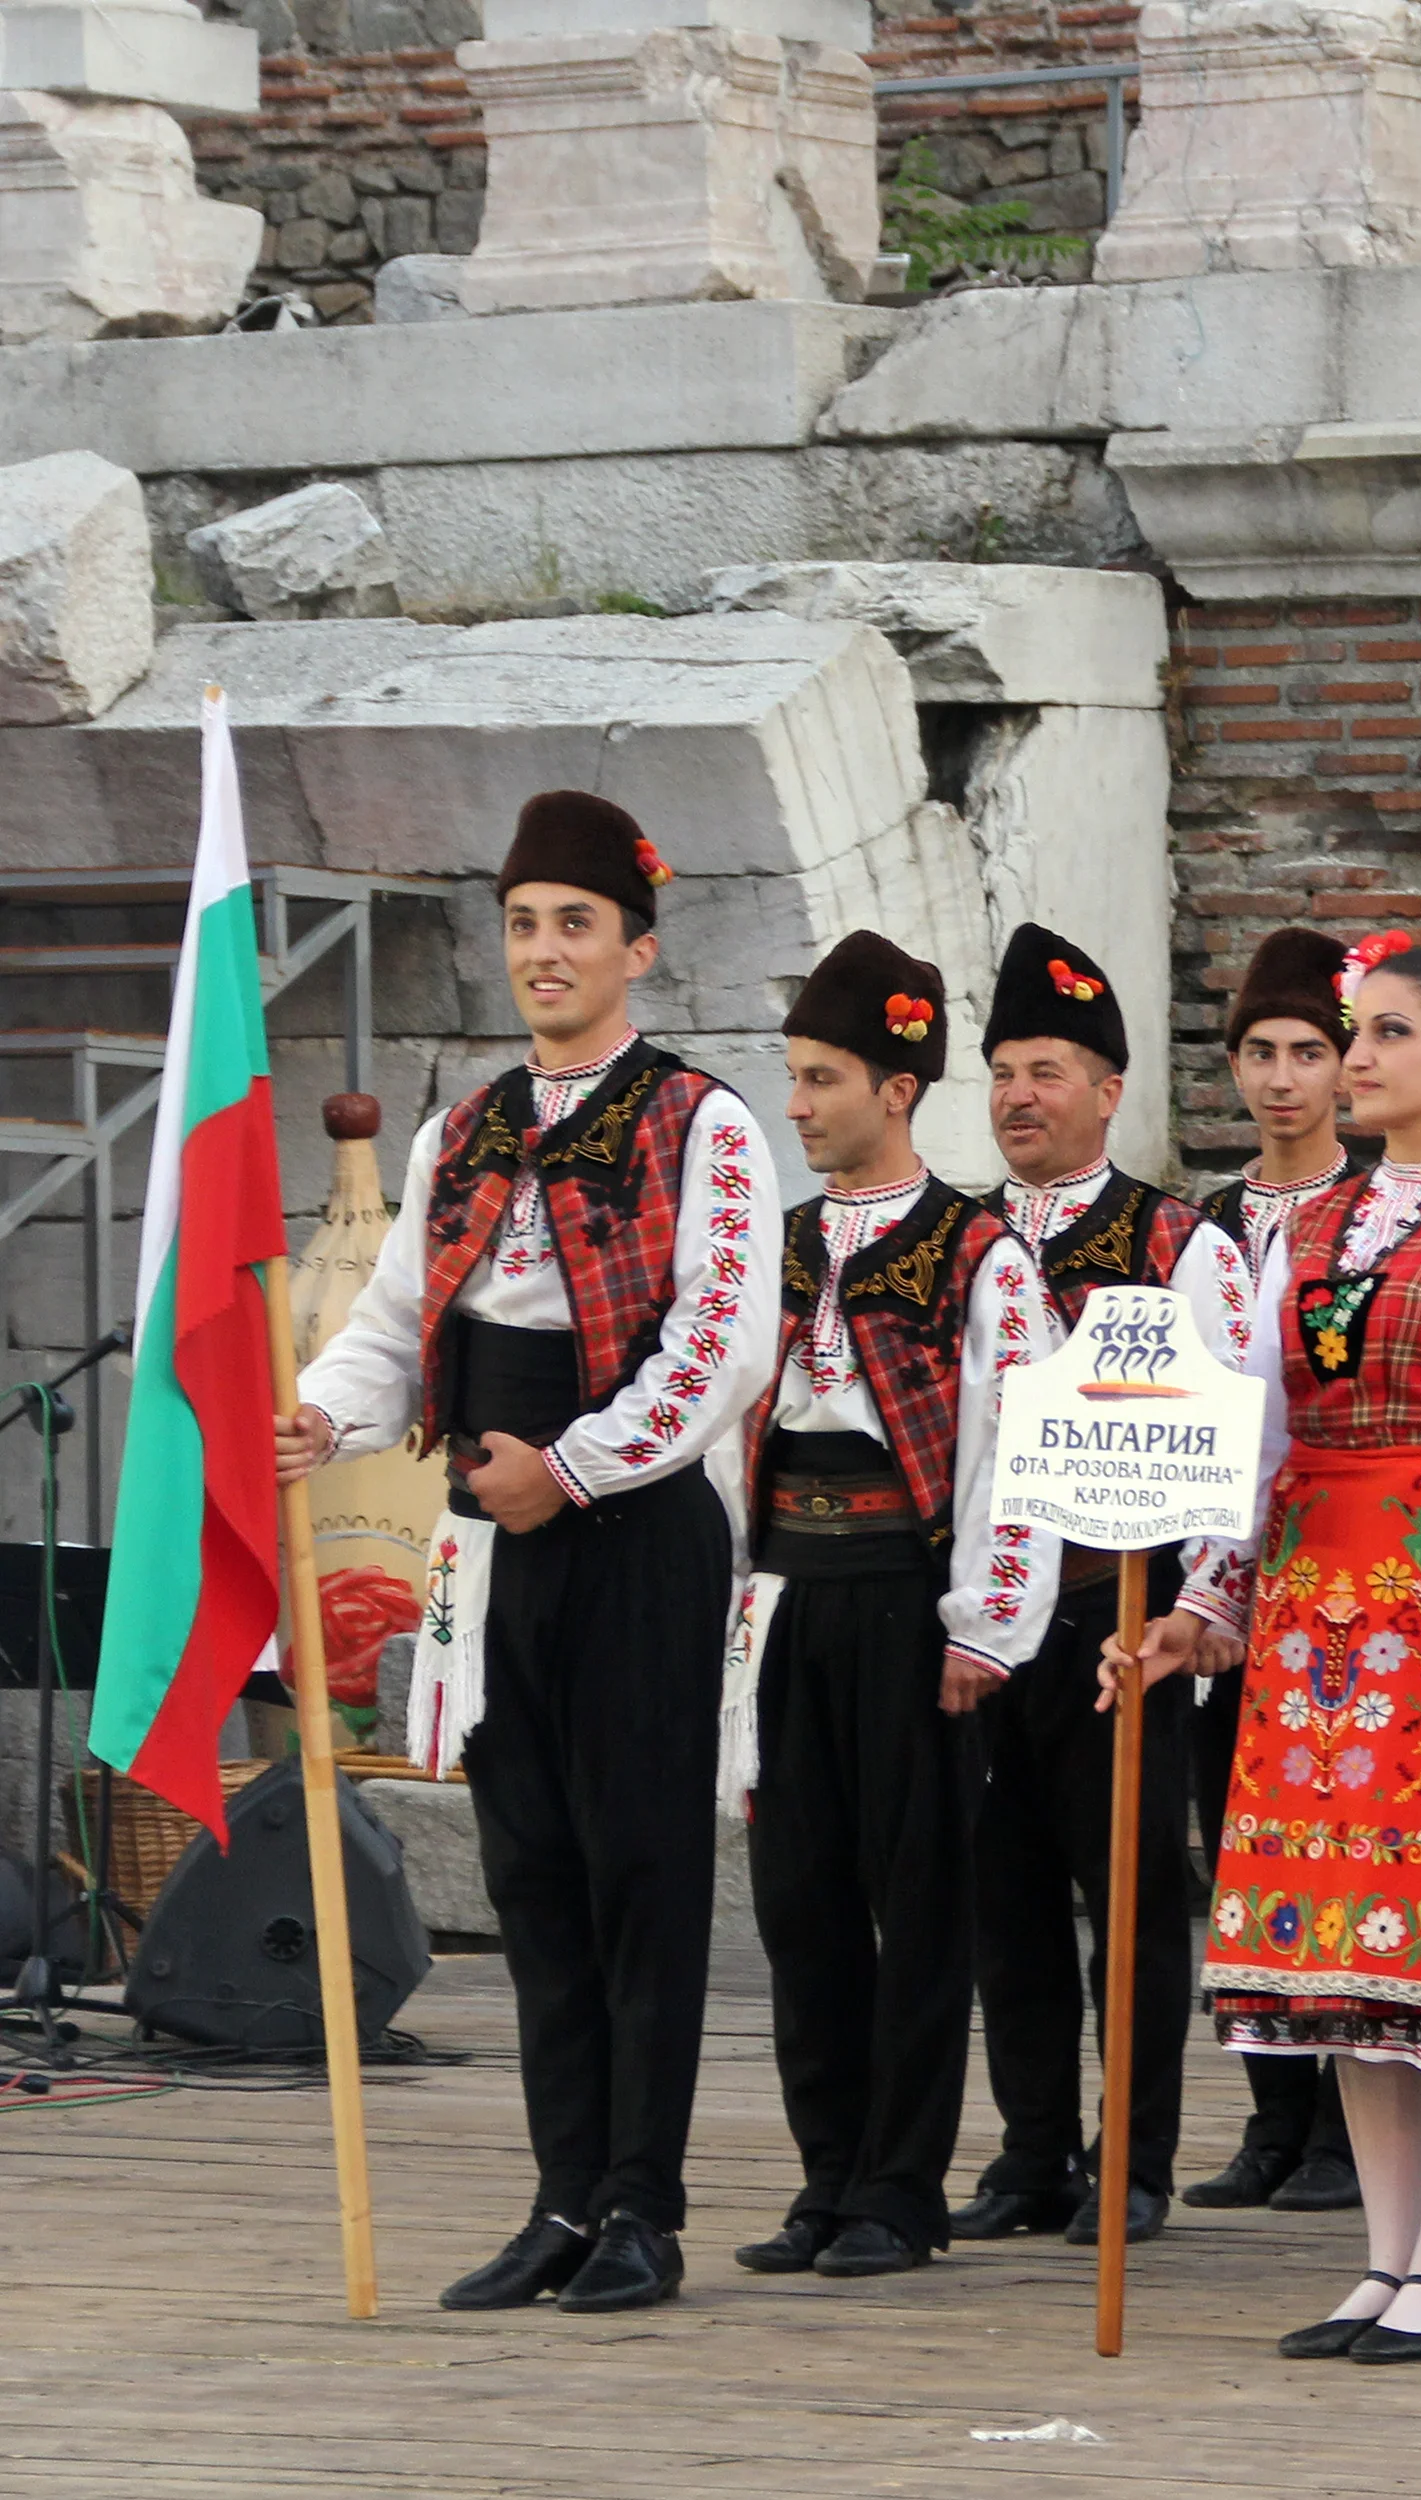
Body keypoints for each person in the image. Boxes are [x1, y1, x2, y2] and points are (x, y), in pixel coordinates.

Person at [282, 792, 782, 2315]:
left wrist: (571, 1468)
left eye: (574, 924)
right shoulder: (464, 1124)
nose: (544, 952)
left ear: (637, 945)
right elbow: (391, 1326)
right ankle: (561, 2197)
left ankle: (645, 2204)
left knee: (641, 1868)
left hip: (627, 1525)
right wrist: (310, 1418)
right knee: (534, 1873)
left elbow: (724, 1342)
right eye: (522, 925)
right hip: (491, 1526)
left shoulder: (707, 1121)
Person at [1138, 934, 1421, 2365]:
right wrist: (1206, 1604)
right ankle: (1383, 2260)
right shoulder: (1299, 1227)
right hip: (1315, 1613)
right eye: (1355, 1033)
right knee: (1343, 1955)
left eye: (1391, 1032)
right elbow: (1258, 1435)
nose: (1360, 1056)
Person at [735, 931, 1056, 2280]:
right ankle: (826, 2175)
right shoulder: (771, 1244)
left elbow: (1013, 1447)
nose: (796, 1105)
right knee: (795, 1898)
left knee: (918, 1903)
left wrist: (987, 1623)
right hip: (785, 1598)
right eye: (794, 1079)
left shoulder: (978, 1253)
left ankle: (900, 2189)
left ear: (897, 1087)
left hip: (904, 1600)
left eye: (820, 1079)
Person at [951, 925, 1253, 2252]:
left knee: (1124, 1892)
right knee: (997, 1895)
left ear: (1109, 1088)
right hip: (979, 1613)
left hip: (1106, 1612)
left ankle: (1133, 2155)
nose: (1023, 1096)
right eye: (1005, 1071)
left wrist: (1193, 1611)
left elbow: (1227, 1444)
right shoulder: (950, 1240)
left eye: (1051, 1070)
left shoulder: (1174, 1240)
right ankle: (1028, 2147)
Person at [1182, 929, 1364, 2215]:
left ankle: (1355, 2125)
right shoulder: (1205, 1224)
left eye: (1309, 1051)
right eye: (1261, 1053)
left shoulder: (1377, 1213)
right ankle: (1271, 2111)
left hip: (1352, 1561)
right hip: (1229, 1563)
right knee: (1240, 1841)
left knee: (1345, 1836)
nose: (1283, 1077)